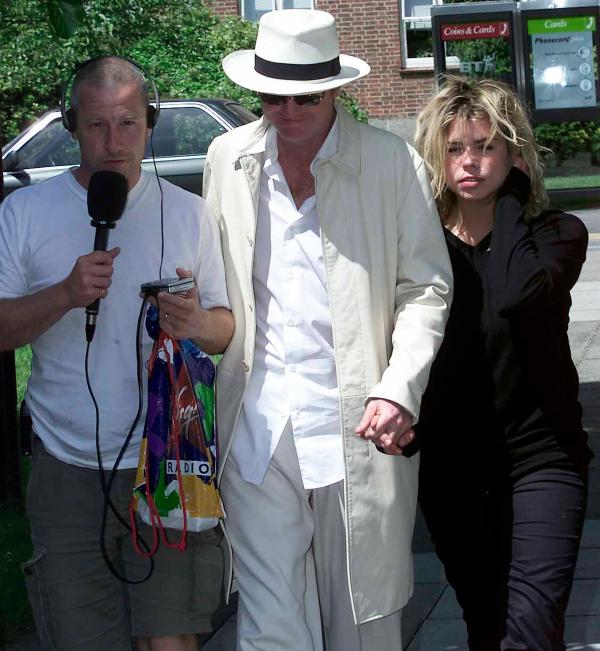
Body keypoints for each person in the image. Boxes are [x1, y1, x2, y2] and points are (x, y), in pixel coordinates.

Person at [202, 9, 453, 651]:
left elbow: (425, 288)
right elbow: (215, 287)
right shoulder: (227, 159)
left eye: (305, 95)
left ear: (336, 88)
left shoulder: (389, 161)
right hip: (257, 429)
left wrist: (399, 387)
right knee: (269, 626)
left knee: (362, 623)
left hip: (355, 424)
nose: (287, 111)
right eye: (272, 95)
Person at [0, 56, 234, 651]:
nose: (114, 141)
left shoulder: (190, 213)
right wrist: (64, 295)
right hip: (64, 464)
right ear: (72, 125)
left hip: (165, 460)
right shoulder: (23, 212)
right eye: (98, 125)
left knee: (170, 639)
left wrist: (195, 322)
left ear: (149, 125)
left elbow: (226, 331)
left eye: (128, 124)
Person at [414, 76, 593, 650]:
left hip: (543, 459)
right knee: (486, 626)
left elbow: (516, 294)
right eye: (455, 148)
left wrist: (511, 195)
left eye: (487, 147)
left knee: (532, 631)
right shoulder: (417, 247)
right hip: (453, 469)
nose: (470, 162)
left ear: (515, 154)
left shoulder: (557, 234)